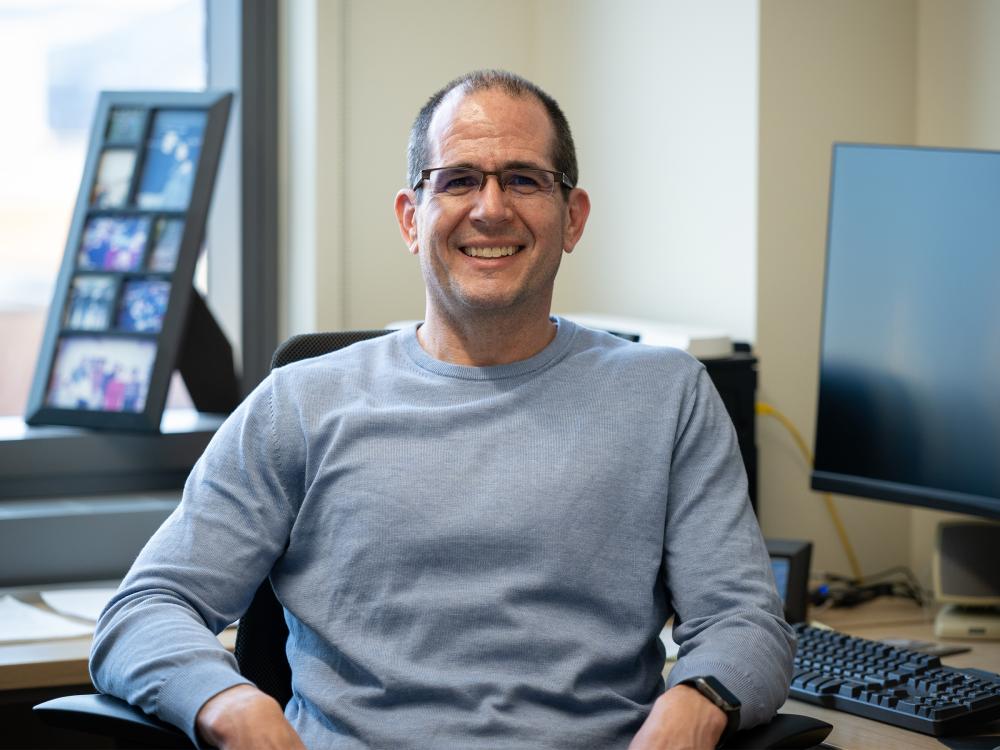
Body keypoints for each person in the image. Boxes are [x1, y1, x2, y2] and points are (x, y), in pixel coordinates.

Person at [91, 70, 794, 750]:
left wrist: (698, 704)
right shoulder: (300, 404)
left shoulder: (666, 395)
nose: (491, 207)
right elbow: (144, 611)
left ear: (572, 217)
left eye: (524, 179)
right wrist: (231, 703)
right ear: (410, 217)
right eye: (458, 179)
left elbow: (745, 622)